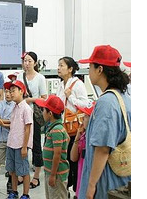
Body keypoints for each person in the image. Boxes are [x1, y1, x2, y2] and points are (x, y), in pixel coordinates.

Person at [78, 45, 131, 199]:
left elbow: (102, 149)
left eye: (90, 67)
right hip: (121, 177)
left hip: (106, 181)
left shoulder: (107, 102)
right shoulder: (123, 96)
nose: (89, 71)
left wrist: (91, 185)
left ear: (100, 69)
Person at [56, 56, 89, 196]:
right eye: (58, 65)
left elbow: (85, 105)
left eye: (62, 65)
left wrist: (71, 97)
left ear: (70, 69)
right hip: (63, 127)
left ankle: (76, 190)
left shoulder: (78, 84)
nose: (58, 68)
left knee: (73, 161)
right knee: (64, 160)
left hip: (73, 130)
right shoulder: (61, 84)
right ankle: (67, 189)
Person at [17, 51, 47, 189]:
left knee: (35, 144)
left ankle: (36, 176)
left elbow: (44, 98)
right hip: (20, 113)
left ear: (35, 62)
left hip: (33, 114)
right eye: (25, 61)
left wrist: (30, 99)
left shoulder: (40, 78)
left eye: (30, 61)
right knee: (21, 143)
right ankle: (22, 173)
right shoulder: (19, 76)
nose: (27, 63)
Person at [3, 80, 33, 199]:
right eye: (10, 91)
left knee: (24, 171)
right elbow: (14, 124)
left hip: (21, 145)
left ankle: (25, 194)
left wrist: (25, 147)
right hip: (12, 143)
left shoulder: (26, 108)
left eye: (13, 90)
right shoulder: (15, 107)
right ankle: (14, 192)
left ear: (21, 91)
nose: (11, 93)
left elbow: (27, 129)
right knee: (12, 170)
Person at [35, 95, 69, 199]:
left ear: (50, 113)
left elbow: (57, 154)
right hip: (50, 172)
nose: (42, 112)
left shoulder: (56, 130)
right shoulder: (54, 128)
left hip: (56, 174)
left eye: (43, 110)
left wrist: (53, 175)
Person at [70, 101, 96, 198]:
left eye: (85, 117)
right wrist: (77, 136)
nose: (82, 120)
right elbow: (73, 157)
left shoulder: (95, 140)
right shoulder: (83, 136)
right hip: (80, 182)